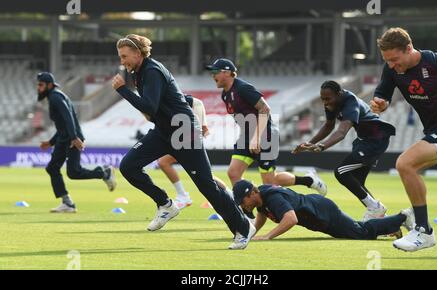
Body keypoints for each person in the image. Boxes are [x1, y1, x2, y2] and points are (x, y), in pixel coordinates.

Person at [112, 34, 255, 250]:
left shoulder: (151, 71)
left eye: (124, 56)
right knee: (128, 166)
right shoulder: (141, 72)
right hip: (164, 131)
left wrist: (122, 90)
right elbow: (162, 107)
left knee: (207, 186)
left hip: (183, 132)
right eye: (120, 57)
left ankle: (243, 228)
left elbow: (149, 107)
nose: (122, 61)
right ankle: (165, 204)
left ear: (138, 53)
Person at [371, 27, 437, 251]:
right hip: (435, 130)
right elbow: (382, 96)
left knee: (405, 164)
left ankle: (423, 231)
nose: (392, 65)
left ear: (409, 48)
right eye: (387, 61)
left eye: (395, 59)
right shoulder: (392, 69)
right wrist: (380, 104)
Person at [205, 58, 327, 195]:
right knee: (233, 173)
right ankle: (246, 210)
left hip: (266, 135)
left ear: (227, 73)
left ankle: (308, 180)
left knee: (269, 182)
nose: (212, 75)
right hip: (247, 136)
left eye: (215, 72)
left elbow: (265, 109)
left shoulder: (243, 88)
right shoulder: (225, 95)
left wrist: (256, 137)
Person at [293, 81, 396, 221]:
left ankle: (376, 209)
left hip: (375, 140)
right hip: (364, 141)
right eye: (322, 99)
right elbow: (329, 126)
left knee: (341, 172)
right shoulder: (331, 103)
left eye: (328, 98)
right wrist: (310, 143)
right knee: (357, 182)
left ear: (339, 94)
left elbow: (341, 132)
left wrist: (322, 146)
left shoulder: (350, 101)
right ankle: (383, 221)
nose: (325, 102)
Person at [232, 180, 415, 241]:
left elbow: (291, 219)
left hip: (323, 213)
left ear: (253, 193)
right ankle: (392, 227)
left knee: (361, 232)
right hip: (317, 213)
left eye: (243, 201)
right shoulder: (262, 198)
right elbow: (263, 214)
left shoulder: (273, 198)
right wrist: (252, 232)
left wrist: (267, 237)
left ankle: (402, 217)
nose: (243, 205)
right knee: (358, 230)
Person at [37, 72, 116, 213]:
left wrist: (74, 137)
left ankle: (104, 172)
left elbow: (68, 117)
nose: (38, 87)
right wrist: (50, 142)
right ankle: (67, 203)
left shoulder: (55, 97)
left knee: (74, 172)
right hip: (64, 138)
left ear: (49, 85)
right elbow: (62, 125)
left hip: (71, 139)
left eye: (41, 85)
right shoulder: (53, 96)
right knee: (53, 168)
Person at [157, 95, 209, 209]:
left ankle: (183, 196)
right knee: (204, 175)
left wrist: (202, 124)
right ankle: (183, 195)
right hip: (181, 138)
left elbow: (198, 103)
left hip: (190, 138)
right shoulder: (157, 99)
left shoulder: (169, 96)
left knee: (204, 177)